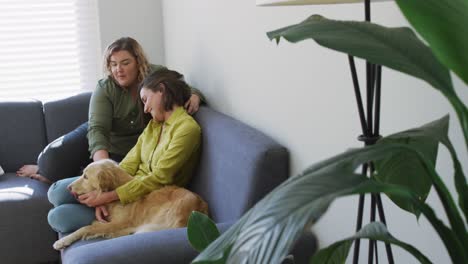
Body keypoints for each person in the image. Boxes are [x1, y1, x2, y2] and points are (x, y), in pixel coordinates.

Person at [15, 37, 205, 184]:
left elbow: (182, 87)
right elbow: (98, 130)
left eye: (125, 63)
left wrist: (195, 95)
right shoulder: (105, 87)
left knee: (106, 174)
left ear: (138, 62)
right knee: (50, 162)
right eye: (113, 64)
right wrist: (102, 167)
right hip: (104, 136)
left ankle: (75, 172)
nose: (118, 70)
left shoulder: (155, 76)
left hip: (132, 147)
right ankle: (45, 170)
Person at [47, 68, 201, 233]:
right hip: (124, 191)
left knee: (58, 217)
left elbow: (159, 178)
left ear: (161, 90)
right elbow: (128, 163)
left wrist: (107, 197)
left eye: (145, 99)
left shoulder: (187, 129)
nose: (145, 108)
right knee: (57, 192)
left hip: (148, 199)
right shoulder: (153, 126)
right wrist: (104, 196)